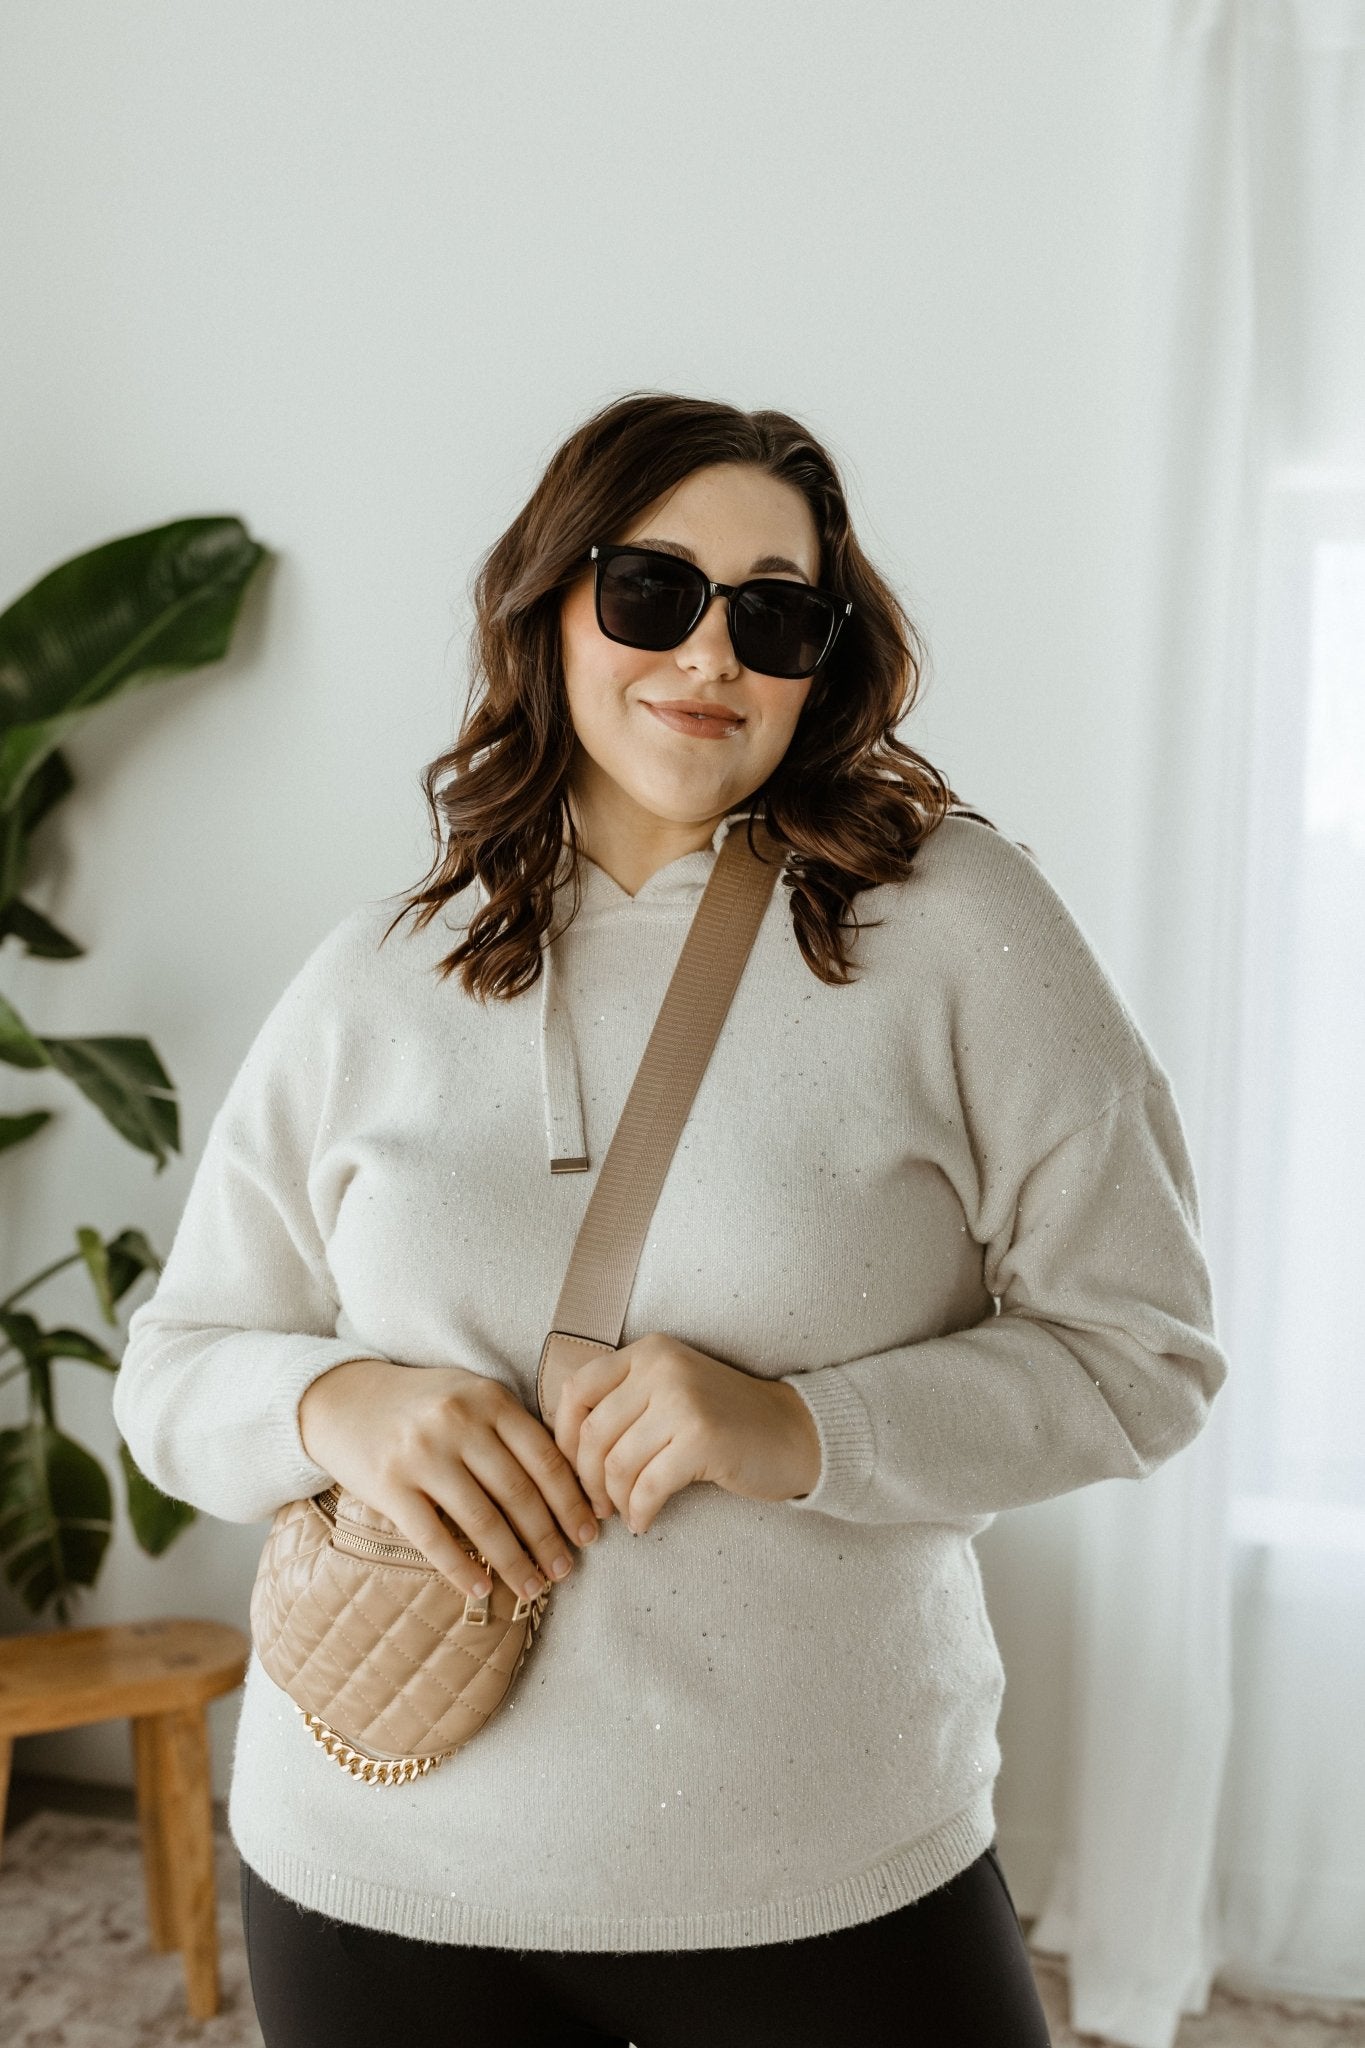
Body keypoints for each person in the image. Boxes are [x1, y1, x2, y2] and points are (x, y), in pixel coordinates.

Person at [114, 390, 1228, 2048]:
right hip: (372, 1874)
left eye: (772, 615)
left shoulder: (959, 928)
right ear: (551, 605)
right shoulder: (379, 972)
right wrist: (339, 1404)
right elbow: (172, 1371)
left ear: (820, 661)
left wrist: (799, 1427)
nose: (708, 653)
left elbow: (1143, 1355)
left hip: (825, 1873)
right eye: (651, 591)